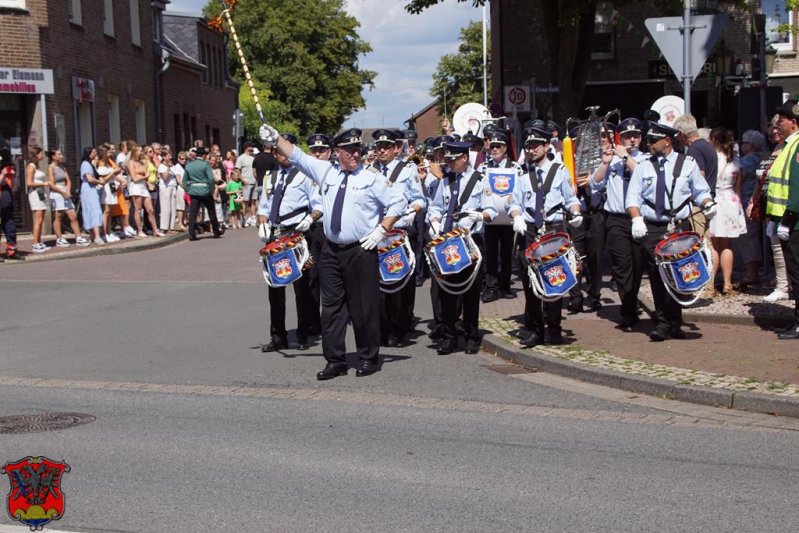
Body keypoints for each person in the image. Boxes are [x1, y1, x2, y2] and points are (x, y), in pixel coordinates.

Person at [260, 124, 406, 379]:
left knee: (363, 307)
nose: (354, 154)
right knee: (331, 308)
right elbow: (297, 155)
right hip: (331, 250)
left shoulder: (371, 177)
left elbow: (399, 201)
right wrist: (275, 137)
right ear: (337, 151)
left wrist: (382, 230)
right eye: (348, 149)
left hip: (361, 249)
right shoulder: (326, 172)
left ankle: (368, 356)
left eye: (357, 149)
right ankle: (335, 360)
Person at [626, 121, 716, 342]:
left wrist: (708, 204)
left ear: (667, 141)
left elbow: (700, 190)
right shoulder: (644, 166)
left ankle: (674, 322)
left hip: (679, 225)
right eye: (648, 140)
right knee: (658, 276)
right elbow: (632, 198)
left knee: (680, 274)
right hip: (654, 227)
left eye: (653, 140)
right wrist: (637, 219)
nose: (649, 144)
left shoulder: (688, 164)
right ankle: (662, 323)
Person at [509, 126, 583, 346]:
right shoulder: (523, 176)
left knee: (554, 278)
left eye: (535, 146)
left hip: (553, 229)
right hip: (530, 230)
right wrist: (516, 217)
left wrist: (576, 213)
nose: (531, 150)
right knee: (531, 281)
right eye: (529, 146)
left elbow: (571, 199)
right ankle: (534, 329)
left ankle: (555, 327)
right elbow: (515, 203)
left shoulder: (559, 171)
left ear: (546, 146)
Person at [427, 141, 498, 355]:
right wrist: (434, 221)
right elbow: (436, 206)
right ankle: (449, 337)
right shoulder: (445, 179)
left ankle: (471, 336)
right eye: (447, 159)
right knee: (447, 290)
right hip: (448, 240)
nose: (449, 163)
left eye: (452, 159)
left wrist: (480, 215)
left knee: (471, 291)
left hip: (471, 240)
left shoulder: (480, 179)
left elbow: (492, 209)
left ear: (464, 158)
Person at [256, 133, 323, 352]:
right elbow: (264, 208)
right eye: (276, 150)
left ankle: (303, 332)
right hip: (275, 234)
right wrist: (263, 223)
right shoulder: (270, 177)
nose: (280, 154)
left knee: (301, 288)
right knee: (275, 287)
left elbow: (317, 205)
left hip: (297, 233)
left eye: (284, 149)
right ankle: (278, 336)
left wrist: (309, 220)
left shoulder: (304, 175)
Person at [370, 129, 425, 347]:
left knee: (402, 282)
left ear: (396, 149)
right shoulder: (369, 171)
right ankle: (383, 329)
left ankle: (400, 329)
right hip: (378, 233)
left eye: (386, 147)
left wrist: (413, 211)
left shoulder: (407, 169)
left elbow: (419, 198)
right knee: (379, 284)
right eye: (379, 147)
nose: (382, 151)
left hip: (401, 231)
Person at [591, 118, 648, 329]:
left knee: (638, 265)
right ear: (620, 138)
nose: (631, 139)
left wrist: (625, 158)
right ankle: (628, 309)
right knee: (621, 266)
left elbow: (643, 178)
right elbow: (595, 184)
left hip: (639, 218)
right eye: (626, 136)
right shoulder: (613, 160)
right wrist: (605, 162)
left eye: (636, 135)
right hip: (616, 219)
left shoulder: (646, 160)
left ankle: (633, 301)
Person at [766, 101, 799, 339]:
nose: (778, 123)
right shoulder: (789, 145)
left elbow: (797, 188)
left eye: (782, 119)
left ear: (794, 123)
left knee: (797, 276)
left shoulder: (797, 147)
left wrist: (787, 220)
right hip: (787, 221)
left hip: (795, 224)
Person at [477, 130, 522, 302]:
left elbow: (521, 188)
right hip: (490, 219)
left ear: (505, 148)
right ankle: (491, 287)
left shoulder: (515, 167)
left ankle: (505, 286)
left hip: (509, 217)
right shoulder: (483, 168)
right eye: (492, 146)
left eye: (499, 146)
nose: (494, 149)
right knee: (491, 253)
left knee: (507, 253)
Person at [752, 116, 791, 302]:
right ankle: (782, 285)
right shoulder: (769, 150)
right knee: (776, 248)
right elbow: (760, 180)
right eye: (772, 127)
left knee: (788, 249)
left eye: (778, 126)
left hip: (787, 207)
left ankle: (786, 285)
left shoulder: (791, 148)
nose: (775, 130)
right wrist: (753, 201)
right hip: (771, 205)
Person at [708, 127, 746, 296]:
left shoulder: (712, 159)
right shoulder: (735, 159)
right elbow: (739, 186)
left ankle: (710, 284)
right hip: (731, 201)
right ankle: (727, 284)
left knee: (714, 244)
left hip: (714, 201)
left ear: (714, 140)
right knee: (727, 244)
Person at [674, 114, 718, 252]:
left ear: (682, 134)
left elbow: (699, 177)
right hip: (708, 201)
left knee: (697, 245)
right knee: (707, 243)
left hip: (698, 205)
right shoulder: (707, 145)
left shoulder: (695, 149)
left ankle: (704, 273)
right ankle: (710, 273)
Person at [738, 130, 767, 290]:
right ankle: (754, 272)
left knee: (748, 239)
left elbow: (738, 179)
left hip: (746, 203)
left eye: (744, 143)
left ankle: (751, 274)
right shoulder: (762, 159)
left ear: (750, 145)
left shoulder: (747, 161)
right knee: (754, 237)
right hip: (757, 203)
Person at [46, 149, 87, 247]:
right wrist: (62, 192)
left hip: (65, 192)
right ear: (53, 156)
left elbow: (68, 180)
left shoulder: (62, 167)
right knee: (58, 216)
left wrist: (68, 191)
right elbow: (51, 184)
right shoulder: (51, 168)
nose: (61, 156)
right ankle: (59, 239)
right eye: (59, 154)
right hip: (57, 193)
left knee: (73, 216)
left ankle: (78, 237)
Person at [183, 147, 223, 240]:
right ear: (204, 155)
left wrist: (188, 190)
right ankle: (216, 231)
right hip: (205, 191)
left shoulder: (189, 166)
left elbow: (184, 180)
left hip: (194, 191)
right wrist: (211, 189)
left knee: (193, 213)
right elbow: (211, 179)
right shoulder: (206, 165)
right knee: (211, 211)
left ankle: (191, 234)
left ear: (196, 155)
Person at [128, 144, 161, 238]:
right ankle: (139, 230)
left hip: (143, 186)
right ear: (135, 152)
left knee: (150, 209)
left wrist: (144, 178)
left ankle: (155, 230)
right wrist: (143, 176)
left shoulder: (142, 162)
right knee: (138, 209)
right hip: (136, 187)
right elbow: (134, 178)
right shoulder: (131, 162)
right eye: (139, 151)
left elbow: (145, 172)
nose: (141, 152)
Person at [79, 146, 109, 245]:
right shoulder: (86, 164)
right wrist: (99, 182)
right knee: (94, 211)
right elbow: (90, 179)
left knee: (93, 211)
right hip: (88, 190)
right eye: (94, 152)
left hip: (91, 189)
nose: (96, 154)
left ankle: (93, 235)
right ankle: (96, 236)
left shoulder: (90, 164)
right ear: (89, 154)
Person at [95, 145, 123, 243]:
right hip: (105, 188)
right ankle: (104, 233)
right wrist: (113, 172)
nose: (110, 154)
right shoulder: (100, 163)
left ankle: (108, 231)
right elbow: (103, 179)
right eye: (108, 152)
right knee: (106, 211)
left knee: (109, 212)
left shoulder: (108, 163)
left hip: (111, 187)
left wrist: (116, 173)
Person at [26, 146, 50, 253]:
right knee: (38, 219)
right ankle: (35, 243)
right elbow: (29, 183)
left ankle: (39, 242)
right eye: (41, 154)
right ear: (36, 155)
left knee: (41, 219)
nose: (42, 156)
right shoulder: (31, 166)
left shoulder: (38, 166)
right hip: (35, 194)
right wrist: (43, 183)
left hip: (41, 193)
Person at [0, 148, 17, 259]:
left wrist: (12, 175)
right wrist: (2, 174)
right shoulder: (3, 172)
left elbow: (13, 186)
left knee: (11, 228)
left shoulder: (7, 170)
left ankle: (12, 251)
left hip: (7, 203)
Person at [158, 149, 180, 232]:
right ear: (164, 157)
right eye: (168, 156)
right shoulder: (162, 166)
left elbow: (177, 176)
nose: (170, 157)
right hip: (165, 188)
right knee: (166, 208)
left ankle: (171, 227)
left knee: (172, 208)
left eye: (171, 155)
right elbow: (165, 177)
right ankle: (164, 227)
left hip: (173, 187)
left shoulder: (172, 166)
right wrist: (168, 167)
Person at [236, 142, 256, 227]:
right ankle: (243, 218)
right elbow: (237, 170)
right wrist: (242, 180)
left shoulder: (253, 158)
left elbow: (255, 170)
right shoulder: (241, 158)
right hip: (246, 183)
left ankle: (253, 218)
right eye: (250, 146)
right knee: (245, 202)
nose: (252, 147)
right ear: (246, 147)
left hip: (254, 181)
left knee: (253, 201)